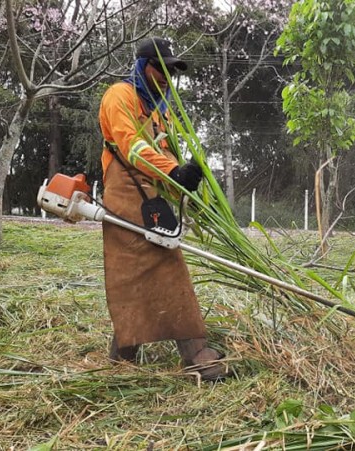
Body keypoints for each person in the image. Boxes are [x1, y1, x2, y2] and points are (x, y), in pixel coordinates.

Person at [97, 37, 229, 381]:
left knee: (151, 271)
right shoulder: (119, 96)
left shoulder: (162, 110)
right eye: (160, 68)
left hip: (150, 197)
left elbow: (165, 154)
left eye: (171, 71)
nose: (165, 76)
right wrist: (171, 171)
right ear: (143, 66)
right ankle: (195, 355)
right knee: (144, 271)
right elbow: (132, 147)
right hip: (123, 197)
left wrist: (182, 180)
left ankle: (123, 357)